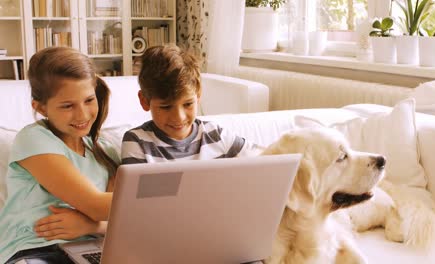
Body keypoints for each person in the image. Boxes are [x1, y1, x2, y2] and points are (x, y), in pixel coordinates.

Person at [0, 47, 119, 264]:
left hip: (91, 249)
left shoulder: (105, 150)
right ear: (41, 107)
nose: (82, 115)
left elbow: (119, 218)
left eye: (89, 100)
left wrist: (92, 226)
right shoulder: (34, 139)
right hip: (34, 250)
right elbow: (96, 206)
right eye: (67, 106)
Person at [121, 45, 261, 164]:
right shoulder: (136, 142)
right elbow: (138, 195)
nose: (178, 117)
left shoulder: (216, 135)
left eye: (188, 104)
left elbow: (265, 158)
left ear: (198, 95)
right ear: (144, 101)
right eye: (166, 107)